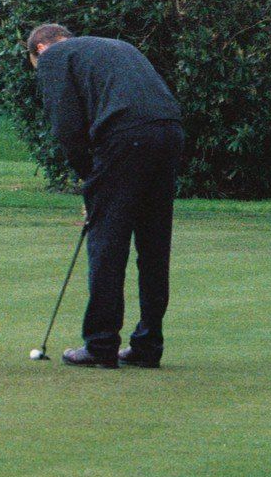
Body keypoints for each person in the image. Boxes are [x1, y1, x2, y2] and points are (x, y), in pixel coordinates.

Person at [27, 24, 185, 368]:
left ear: (39, 49)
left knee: (107, 243)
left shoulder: (53, 57)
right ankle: (148, 346)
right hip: (169, 131)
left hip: (125, 135)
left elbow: (67, 127)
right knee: (153, 245)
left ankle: (100, 344)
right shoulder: (111, 47)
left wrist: (91, 181)